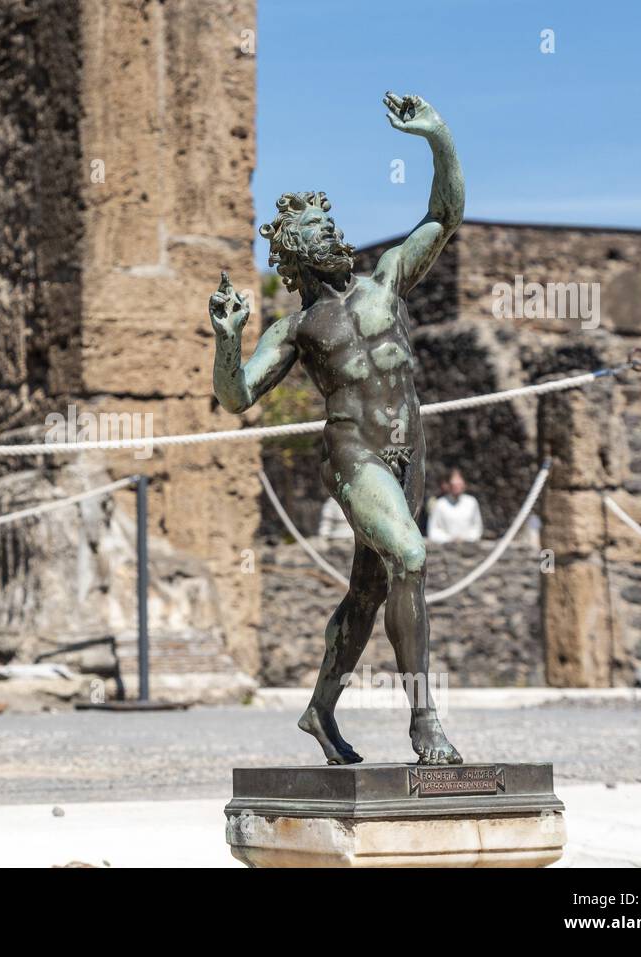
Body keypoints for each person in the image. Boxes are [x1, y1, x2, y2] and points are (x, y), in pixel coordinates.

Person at [209, 92, 464, 766]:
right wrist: (228, 340)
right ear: (294, 255)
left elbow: (443, 214)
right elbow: (235, 397)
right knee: (409, 556)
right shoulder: (295, 328)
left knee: (371, 588)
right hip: (355, 454)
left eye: (328, 223)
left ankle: (320, 711)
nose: (327, 232)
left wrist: (436, 137)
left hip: (410, 449)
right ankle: (425, 721)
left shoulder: (386, 282)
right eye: (312, 230)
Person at [427, 469, 483, 544]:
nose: (456, 486)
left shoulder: (472, 502)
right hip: (445, 549)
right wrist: (450, 539)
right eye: (453, 483)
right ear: (448, 485)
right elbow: (433, 531)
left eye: (459, 483)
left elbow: (477, 529)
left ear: (464, 484)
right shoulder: (439, 504)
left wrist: (465, 538)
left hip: (469, 548)